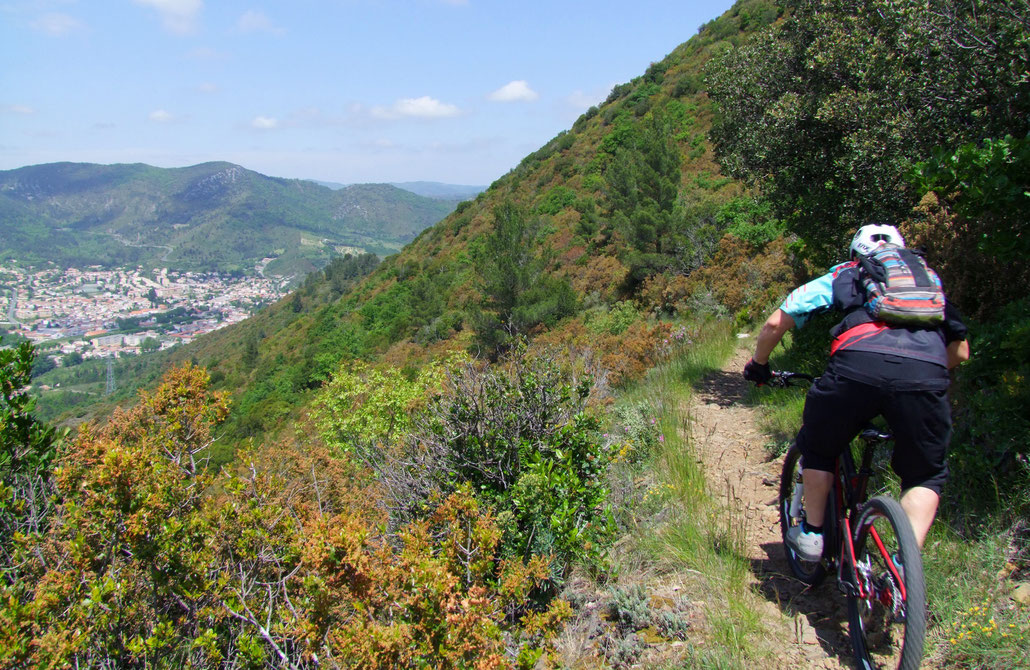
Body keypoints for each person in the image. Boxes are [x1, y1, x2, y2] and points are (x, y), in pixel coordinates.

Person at [744, 223, 970, 562]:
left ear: (856, 254)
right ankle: (904, 569)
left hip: (856, 368)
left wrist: (759, 364)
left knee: (818, 446)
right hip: (926, 373)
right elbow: (961, 351)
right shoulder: (924, 281)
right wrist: (918, 374)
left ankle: (813, 534)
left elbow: (778, 322)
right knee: (925, 474)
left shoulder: (846, 274)